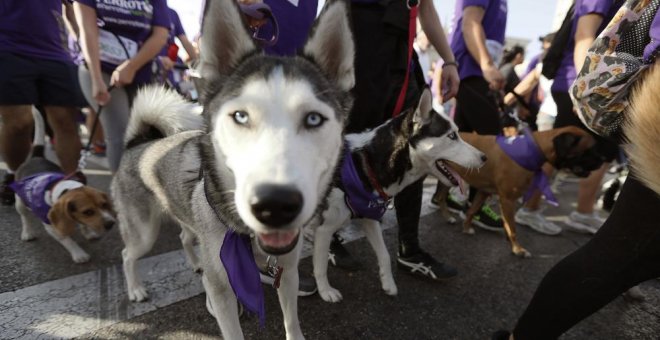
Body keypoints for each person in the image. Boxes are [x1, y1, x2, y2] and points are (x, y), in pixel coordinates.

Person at [494, 1, 660, 338]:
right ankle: (543, 209)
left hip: (630, 93)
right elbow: (585, 32)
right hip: (598, 93)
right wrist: (586, 89)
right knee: (619, 253)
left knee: (621, 252)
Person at [347, 0, 461, 280]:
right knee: (351, 140)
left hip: (400, 52)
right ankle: (331, 232)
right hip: (358, 40)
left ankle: (409, 248)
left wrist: (448, 60)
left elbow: (425, 7)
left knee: (416, 142)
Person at [430, 0, 508, 231]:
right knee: (493, 141)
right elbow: (471, 21)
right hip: (471, 70)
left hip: (471, 70)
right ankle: (475, 206)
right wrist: (486, 65)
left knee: (460, 138)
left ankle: (444, 195)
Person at [0, 0, 86, 206]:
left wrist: (82, 45)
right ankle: (15, 175)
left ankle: (72, 183)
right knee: (20, 123)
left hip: (55, 52)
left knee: (66, 121)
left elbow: (72, 7)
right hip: (7, 47)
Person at [548, 0, 623, 234]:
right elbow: (584, 34)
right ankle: (527, 207)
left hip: (592, 85)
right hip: (581, 83)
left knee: (602, 153)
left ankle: (583, 212)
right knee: (553, 153)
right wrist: (585, 89)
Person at [74, 0, 170, 172]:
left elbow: (160, 35)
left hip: (141, 70)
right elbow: (87, 31)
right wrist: (96, 79)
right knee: (120, 134)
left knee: (145, 135)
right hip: (100, 69)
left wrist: (131, 66)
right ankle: (123, 194)